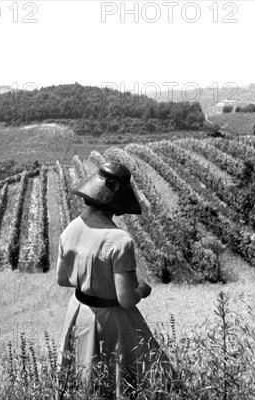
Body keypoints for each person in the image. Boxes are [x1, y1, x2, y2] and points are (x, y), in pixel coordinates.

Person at [57, 161, 163, 398]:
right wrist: (143, 289)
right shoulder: (119, 240)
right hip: (111, 322)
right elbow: (126, 299)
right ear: (117, 204)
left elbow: (63, 279)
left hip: (78, 313)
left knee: (82, 380)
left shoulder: (70, 229)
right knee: (131, 381)